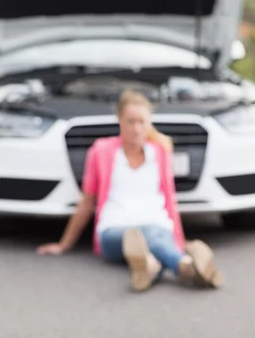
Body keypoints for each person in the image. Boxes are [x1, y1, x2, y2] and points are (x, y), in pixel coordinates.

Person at [36, 90, 223, 292]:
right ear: (120, 121)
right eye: (130, 122)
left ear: (149, 123)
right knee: (140, 238)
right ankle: (185, 266)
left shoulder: (159, 152)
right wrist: (64, 244)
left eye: (142, 122)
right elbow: (87, 201)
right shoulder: (101, 151)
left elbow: (169, 200)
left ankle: (151, 266)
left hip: (156, 224)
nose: (136, 128)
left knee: (154, 236)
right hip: (115, 229)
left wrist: (178, 239)